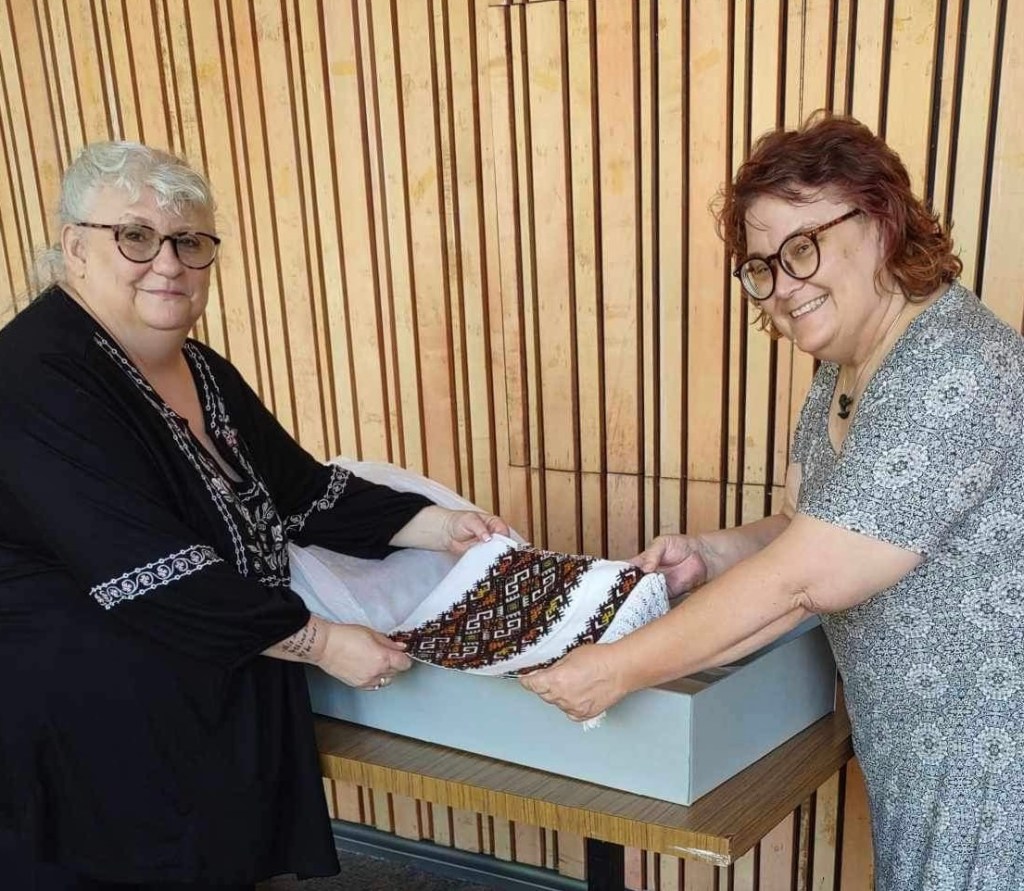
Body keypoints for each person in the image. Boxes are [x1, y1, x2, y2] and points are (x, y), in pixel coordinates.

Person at [521, 113, 1024, 889]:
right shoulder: (846, 364)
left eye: (802, 247)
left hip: (991, 762)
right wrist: (711, 553)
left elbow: (806, 578)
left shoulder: (956, 368)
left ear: (883, 221)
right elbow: (803, 524)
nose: (785, 287)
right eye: (763, 266)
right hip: (913, 746)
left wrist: (616, 669)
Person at [0, 141, 507, 890]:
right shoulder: (34, 372)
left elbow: (302, 492)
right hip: (94, 725)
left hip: (209, 688)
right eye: (135, 237)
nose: (167, 263)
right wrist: (322, 640)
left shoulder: (199, 367)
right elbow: (147, 570)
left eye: (190, 241)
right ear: (74, 247)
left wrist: (436, 525)